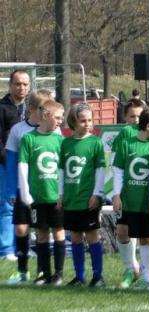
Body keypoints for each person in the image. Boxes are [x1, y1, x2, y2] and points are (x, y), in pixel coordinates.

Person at [113, 106, 149, 291]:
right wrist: (117, 194)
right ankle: (146, 276)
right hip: (132, 202)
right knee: (142, 239)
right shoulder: (127, 143)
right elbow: (118, 171)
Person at [5, 90, 53, 284]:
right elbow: (11, 161)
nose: (48, 114)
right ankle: (22, 270)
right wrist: (11, 189)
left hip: (43, 192)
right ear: (32, 109)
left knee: (42, 231)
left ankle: (43, 271)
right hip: (22, 191)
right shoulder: (18, 130)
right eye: (44, 109)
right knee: (21, 229)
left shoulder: (53, 130)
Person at [18, 100, 65, 285]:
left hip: (57, 198)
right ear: (45, 115)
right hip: (38, 197)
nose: (61, 121)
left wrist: (63, 193)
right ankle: (44, 273)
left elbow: (63, 169)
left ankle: (59, 274)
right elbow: (22, 166)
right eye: (58, 117)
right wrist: (26, 194)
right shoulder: (29, 139)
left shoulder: (61, 140)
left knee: (59, 232)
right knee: (41, 234)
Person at [58, 103, 106, 287]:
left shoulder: (95, 142)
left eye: (90, 120)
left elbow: (100, 170)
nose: (87, 124)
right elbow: (62, 170)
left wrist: (97, 193)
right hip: (71, 198)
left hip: (88, 199)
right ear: (73, 122)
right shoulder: (66, 143)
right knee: (76, 237)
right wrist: (61, 193)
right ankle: (79, 276)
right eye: (83, 120)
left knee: (92, 236)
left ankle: (98, 276)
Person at [111, 98, 145, 288]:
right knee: (122, 231)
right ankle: (131, 268)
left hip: (146, 193)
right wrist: (117, 192)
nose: (135, 119)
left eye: (139, 116)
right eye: (132, 116)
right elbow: (116, 164)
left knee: (146, 234)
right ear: (124, 117)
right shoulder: (125, 133)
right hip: (127, 192)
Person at [0, 70, 31, 261]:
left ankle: (22, 246)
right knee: (7, 205)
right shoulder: (2, 108)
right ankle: (6, 249)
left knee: (26, 205)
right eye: (18, 84)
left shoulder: (33, 108)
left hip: (28, 165)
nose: (22, 87)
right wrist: (9, 160)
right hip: (6, 165)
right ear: (10, 85)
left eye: (25, 84)